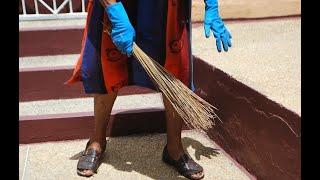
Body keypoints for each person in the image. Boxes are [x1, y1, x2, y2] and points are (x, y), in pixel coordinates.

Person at [66, 0, 231, 179]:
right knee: (108, 68)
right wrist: (114, 10)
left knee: (174, 72)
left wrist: (211, 4)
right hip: (119, 5)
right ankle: (97, 142)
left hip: (166, 7)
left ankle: (174, 149)